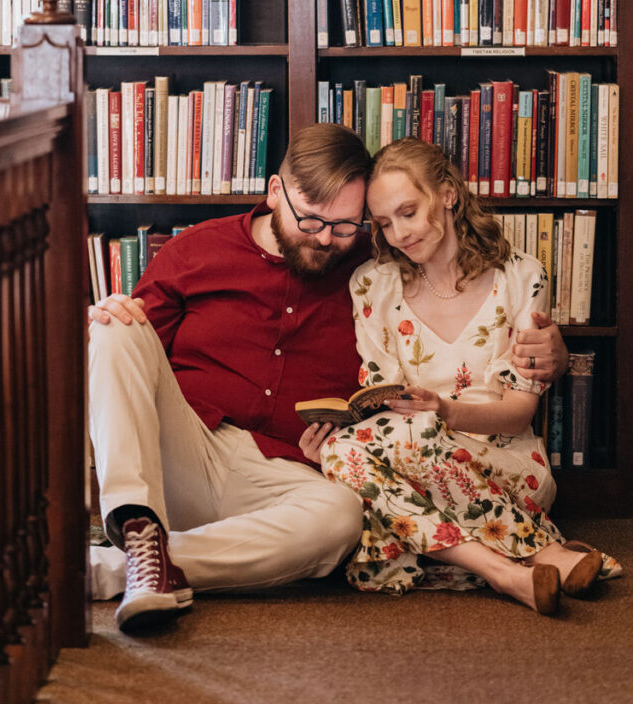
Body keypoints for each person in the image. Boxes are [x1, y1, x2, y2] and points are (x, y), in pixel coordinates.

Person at [88, 125, 570, 633]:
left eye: (344, 226)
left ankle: (130, 568)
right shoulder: (196, 250)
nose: (325, 238)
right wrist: (107, 319)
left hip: (281, 471)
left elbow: (468, 296)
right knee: (118, 325)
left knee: (340, 518)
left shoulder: (376, 265)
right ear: (276, 191)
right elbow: (123, 369)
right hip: (184, 449)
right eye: (312, 220)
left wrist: (550, 354)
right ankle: (137, 526)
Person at [300, 137, 620, 614]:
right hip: (411, 458)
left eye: (408, 212)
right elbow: (380, 400)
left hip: (506, 462)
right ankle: (515, 569)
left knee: (372, 476)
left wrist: (445, 412)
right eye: (384, 223)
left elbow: (519, 414)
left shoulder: (521, 277)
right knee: (345, 446)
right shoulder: (371, 284)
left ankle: (487, 558)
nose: (398, 235)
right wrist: (344, 427)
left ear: (447, 194)